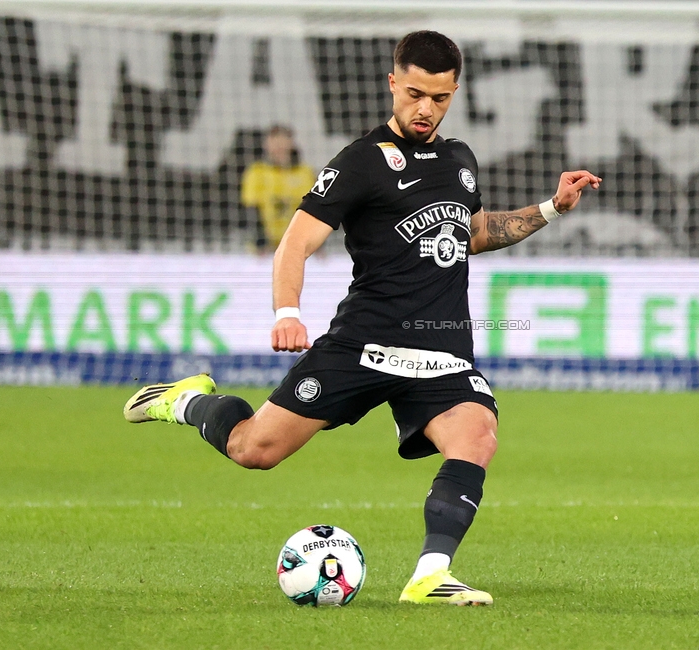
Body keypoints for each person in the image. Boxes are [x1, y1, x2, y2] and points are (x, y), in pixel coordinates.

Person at [124, 30, 600, 606]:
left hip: (441, 350)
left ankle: (429, 576)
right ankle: (186, 400)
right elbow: (293, 245)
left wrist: (551, 208)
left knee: (477, 435)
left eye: (441, 98)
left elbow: (469, 233)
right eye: (417, 94)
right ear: (393, 82)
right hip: (364, 343)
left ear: (454, 93)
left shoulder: (460, 160)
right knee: (256, 450)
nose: (426, 109)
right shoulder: (360, 163)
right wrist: (288, 312)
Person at [240, 125, 316, 253]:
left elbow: (313, 210)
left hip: (299, 247)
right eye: (274, 141)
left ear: (291, 143)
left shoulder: (304, 172)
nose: (278, 146)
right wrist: (261, 243)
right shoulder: (256, 172)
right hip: (265, 249)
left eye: (282, 140)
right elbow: (252, 209)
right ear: (266, 145)